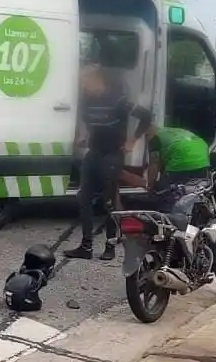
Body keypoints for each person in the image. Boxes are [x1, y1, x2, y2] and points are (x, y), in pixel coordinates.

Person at [65, 63, 151, 261]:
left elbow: (146, 116)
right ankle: (86, 247)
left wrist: (133, 139)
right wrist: (85, 135)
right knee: (83, 198)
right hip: (94, 152)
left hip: (112, 154)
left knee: (108, 201)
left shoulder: (117, 100)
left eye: (85, 81)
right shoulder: (87, 100)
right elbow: (89, 122)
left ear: (97, 80)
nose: (83, 85)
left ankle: (110, 245)